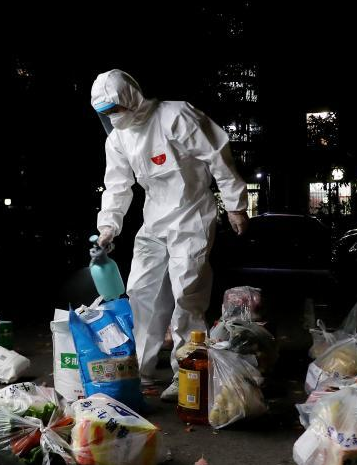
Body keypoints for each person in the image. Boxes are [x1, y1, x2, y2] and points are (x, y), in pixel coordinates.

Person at [91, 69, 249, 401]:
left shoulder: (175, 115)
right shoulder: (118, 139)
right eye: (105, 112)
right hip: (154, 218)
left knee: (186, 292)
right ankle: (141, 369)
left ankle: (187, 370)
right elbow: (117, 186)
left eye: (115, 108)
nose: (113, 116)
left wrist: (235, 204)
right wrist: (108, 226)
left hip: (192, 212)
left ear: (130, 97)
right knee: (140, 291)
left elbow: (217, 154)